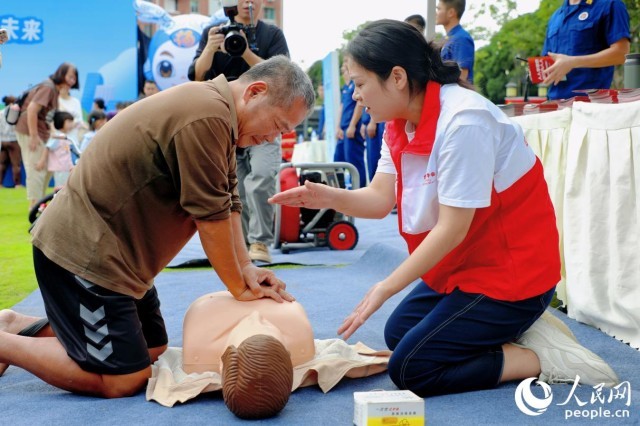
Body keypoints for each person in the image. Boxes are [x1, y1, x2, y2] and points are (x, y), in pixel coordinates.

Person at [269, 20, 619, 397]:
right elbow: (380, 199)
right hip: (466, 267)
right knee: (398, 334)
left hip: (513, 277)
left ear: (397, 77)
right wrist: (329, 197)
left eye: (359, 82)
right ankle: (511, 332)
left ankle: (536, 358)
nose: (355, 95)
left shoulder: (465, 121)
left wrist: (385, 287)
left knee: (412, 369)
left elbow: (452, 229)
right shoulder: (399, 123)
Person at [0, 55, 315, 398]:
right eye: (279, 126)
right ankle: (4, 345)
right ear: (255, 92)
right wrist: (239, 288)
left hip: (122, 265)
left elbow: (229, 202)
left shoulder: (220, 114)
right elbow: (209, 218)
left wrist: (245, 267)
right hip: (85, 259)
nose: (272, 139)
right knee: (124, 378)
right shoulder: (207, 114)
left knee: (153, 349)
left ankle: (16, 326)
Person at [188, 0, 289, 264]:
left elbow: (281, 76)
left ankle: (259, 241)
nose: (247, 3)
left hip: (265, 119)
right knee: (235, 186)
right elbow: (197, 77)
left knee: (262, 176)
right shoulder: (215, 32)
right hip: (225, 120)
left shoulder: (272, 34)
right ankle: (242, 245)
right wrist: (210, 48)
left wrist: (244, 51)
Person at [183, 291, 314, 419]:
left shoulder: (201, 327)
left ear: (222, 365)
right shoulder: (296, 327)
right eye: (266, 326)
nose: (256, 317)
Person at [15, 62, 78, 209]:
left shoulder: (53, 89)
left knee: (44, 170)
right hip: (31, 132)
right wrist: (34, 136)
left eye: (74, 78)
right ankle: (34, 207)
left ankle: (40, 205)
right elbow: (32, 110)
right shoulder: (48, 88)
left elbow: (46, 116)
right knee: (36, 170)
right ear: (61, 74)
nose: (72, 81)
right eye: (70, 76)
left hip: (41, 133)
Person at [542, 0, 630, 100]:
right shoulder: (556, 17)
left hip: (591, 105)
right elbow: (548, 60)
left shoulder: (611, 4)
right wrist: (537, 71)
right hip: (555, 104)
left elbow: (621, 54)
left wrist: (572, 62)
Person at [334, 58, 366, 189]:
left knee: (354, 162)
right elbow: (342, 107)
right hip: (343, 129)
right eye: (342, 70)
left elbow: (360, 104)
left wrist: (352, 125)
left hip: (352, 129)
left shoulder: (356, 85)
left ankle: (359, 191)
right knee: (338, 161)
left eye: (345, 70)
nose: (343, 73)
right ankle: (339, 191)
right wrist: (338, 126)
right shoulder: (346, 87)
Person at [436, 0, 475, 83]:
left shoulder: (461, 39)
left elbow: (462, 77)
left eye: (439, 9)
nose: (436, 13)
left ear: (451, 12)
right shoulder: (446, 39)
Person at [35, 111, 76, 188]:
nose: (71, 124)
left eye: (72, 122)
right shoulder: (57, 137)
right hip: (60, 168)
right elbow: (48, 147)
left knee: (66, 187)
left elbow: (67, 154)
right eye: (69, 122)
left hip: (66, 167)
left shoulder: (65, 137)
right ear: (60, 122)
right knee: (60, 187)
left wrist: (71, 166)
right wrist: (42, 161)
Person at [0, 95, 22, 187]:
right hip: (13, 140)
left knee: (1, 164)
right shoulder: (16, 111)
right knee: (16, 164)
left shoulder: (1, 112)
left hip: (2, 140)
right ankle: (17, 184)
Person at [360, 109, 385, 183]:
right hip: (371, 120)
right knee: (372, 163)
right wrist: (364, 123)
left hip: (378, 122)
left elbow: (378, 98)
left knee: (378, 162)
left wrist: (372, 121)